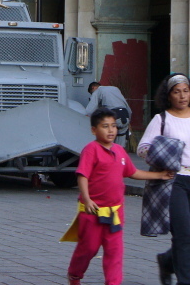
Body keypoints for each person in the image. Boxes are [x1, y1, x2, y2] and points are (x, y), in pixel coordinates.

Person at [66, 108, 175, 285]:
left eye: (113, 126)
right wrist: (87, 199)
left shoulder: (119, 151)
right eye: (105, 126)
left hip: (115, 214)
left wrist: (159, 175)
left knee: (114, 251)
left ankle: (113, 282)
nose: (111, 130)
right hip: (92, 212)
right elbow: (82, 175)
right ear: (94, 130)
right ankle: (75, 274)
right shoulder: (91, 150)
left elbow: (133, 172)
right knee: (89, 248)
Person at [138, 73, 190, 285]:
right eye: (176, 92)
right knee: (183, 234)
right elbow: (143, 149)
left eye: (186, 90)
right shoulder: (162, 119)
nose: (182, 96)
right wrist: (163, 156)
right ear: (168, 95)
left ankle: (167, 261)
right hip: (174, 181)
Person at [85, 82, 132, 147]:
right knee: (120, 146)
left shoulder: (97, 91)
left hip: (113, 116)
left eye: (91, 93)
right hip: (125, 116)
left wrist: (86, 116)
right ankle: (119, 155)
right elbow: (128, 109)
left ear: (93, 88)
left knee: (108, 144)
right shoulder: (115, 89)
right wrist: (129, 120)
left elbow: (90, 109)